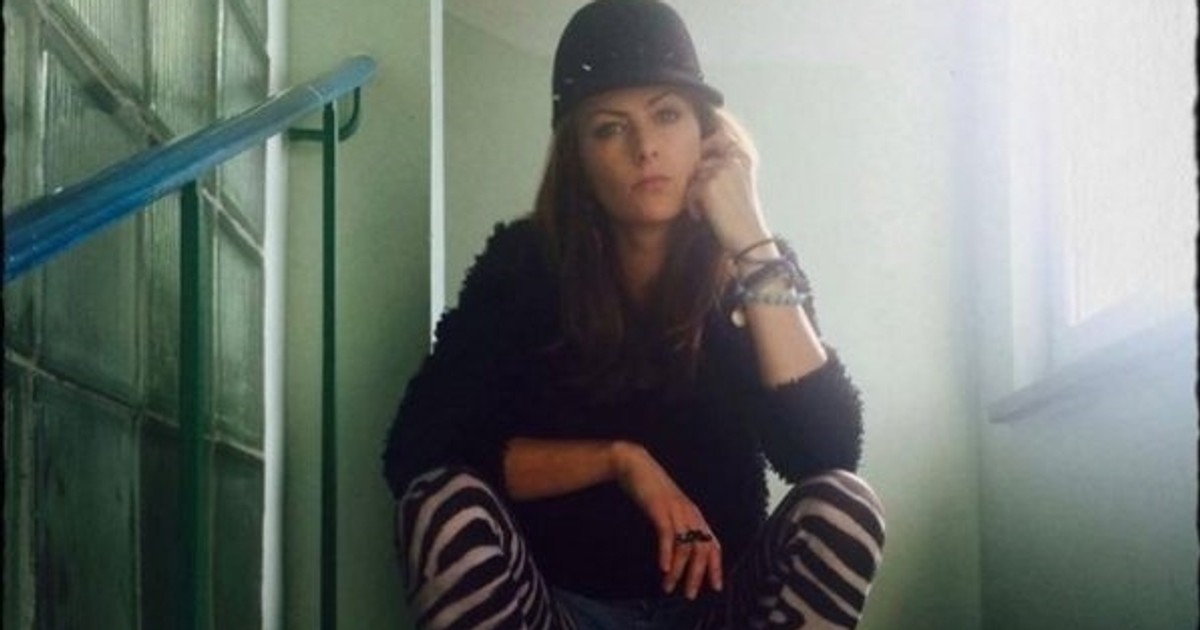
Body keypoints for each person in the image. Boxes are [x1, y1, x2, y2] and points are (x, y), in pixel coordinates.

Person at [382, 1, 885, 628]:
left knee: (844, 505)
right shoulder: (523, 266)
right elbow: (418, 451)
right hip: (561, 609)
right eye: (610, 128)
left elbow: (825, 452)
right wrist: (621, 460)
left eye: (667, 115)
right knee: (438, 505)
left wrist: (752, 243)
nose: (646, 148)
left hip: (718, 608)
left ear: (706, 133)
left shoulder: (755, 269)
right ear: (578, 157)